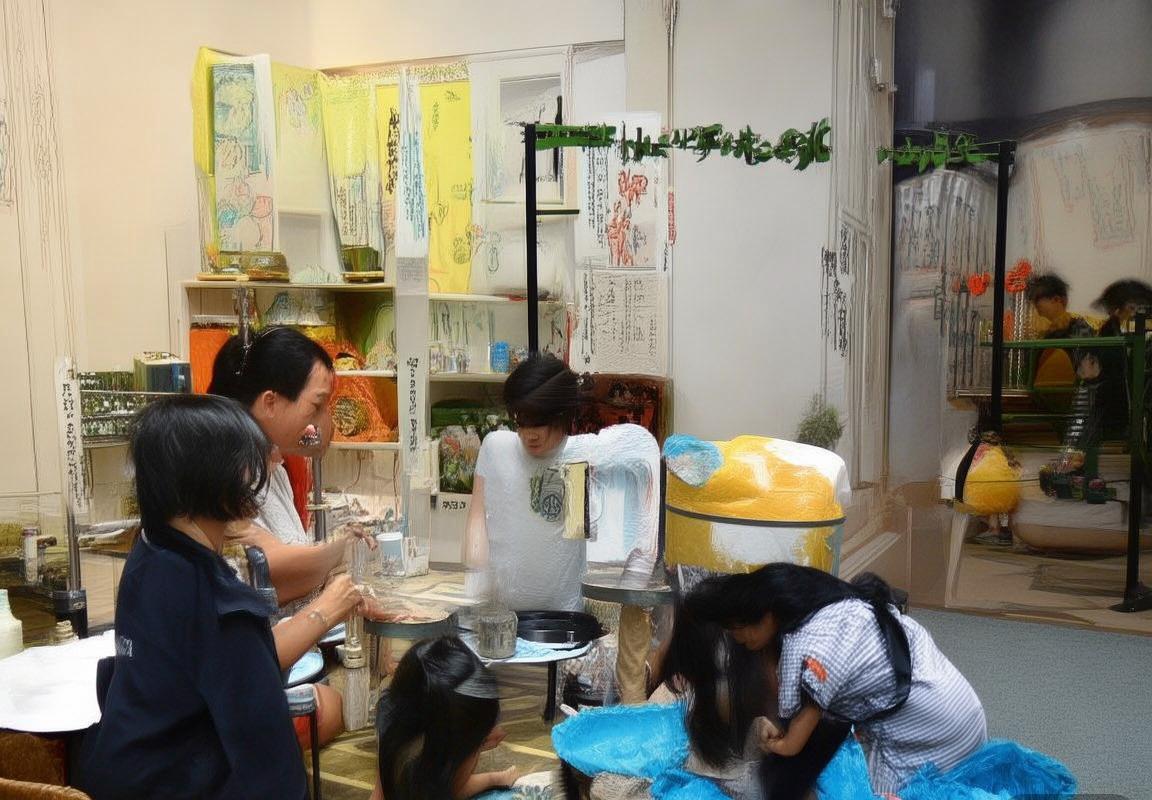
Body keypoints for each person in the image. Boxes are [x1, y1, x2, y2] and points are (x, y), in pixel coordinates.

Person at [76, 395, 362, 800]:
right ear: (211, 476)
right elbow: (272, 769)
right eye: (248, 466)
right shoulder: (219, 603)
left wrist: (325, 608)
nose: (258, 477)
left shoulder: (148, 557)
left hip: (120, 772)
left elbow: (233, 661)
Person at [661, 564, 986, 798]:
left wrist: (777, 744)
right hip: (956, 701)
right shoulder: (832, 604)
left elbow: (794, 746)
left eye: (739, 631)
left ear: (766, 615)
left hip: (934, 728)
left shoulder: (807, 652)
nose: (739, 640)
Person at [463, 353, 659, 704]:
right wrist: (477, 569)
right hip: (499, 623)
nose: (530, 434)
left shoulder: (575, 460)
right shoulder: (496, 448)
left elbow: (573, 533)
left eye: (540, 421)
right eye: (522, 421)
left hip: (563, 626)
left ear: (562, 416)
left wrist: (637, 570)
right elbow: (477, 515)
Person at [210, 326, 373, 747]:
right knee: (336, 707)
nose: (320, 421)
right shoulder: (224, 477)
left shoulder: (273, 465)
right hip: (255, 674)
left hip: (275, 658)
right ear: (269, 402)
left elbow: (318, 442)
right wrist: (337, 559)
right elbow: (272, 570)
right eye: (316, 404)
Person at [370, 637, 519, 800]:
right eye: (479, 745)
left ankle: (496, 778)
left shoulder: (396, 716)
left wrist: (495, 779)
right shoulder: (426, 766)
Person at [1026, 273, 1094, 340]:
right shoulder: (1048, 332)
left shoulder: (1081, 328)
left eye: (1037, 302)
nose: (1036, 308)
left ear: (1056, 299)